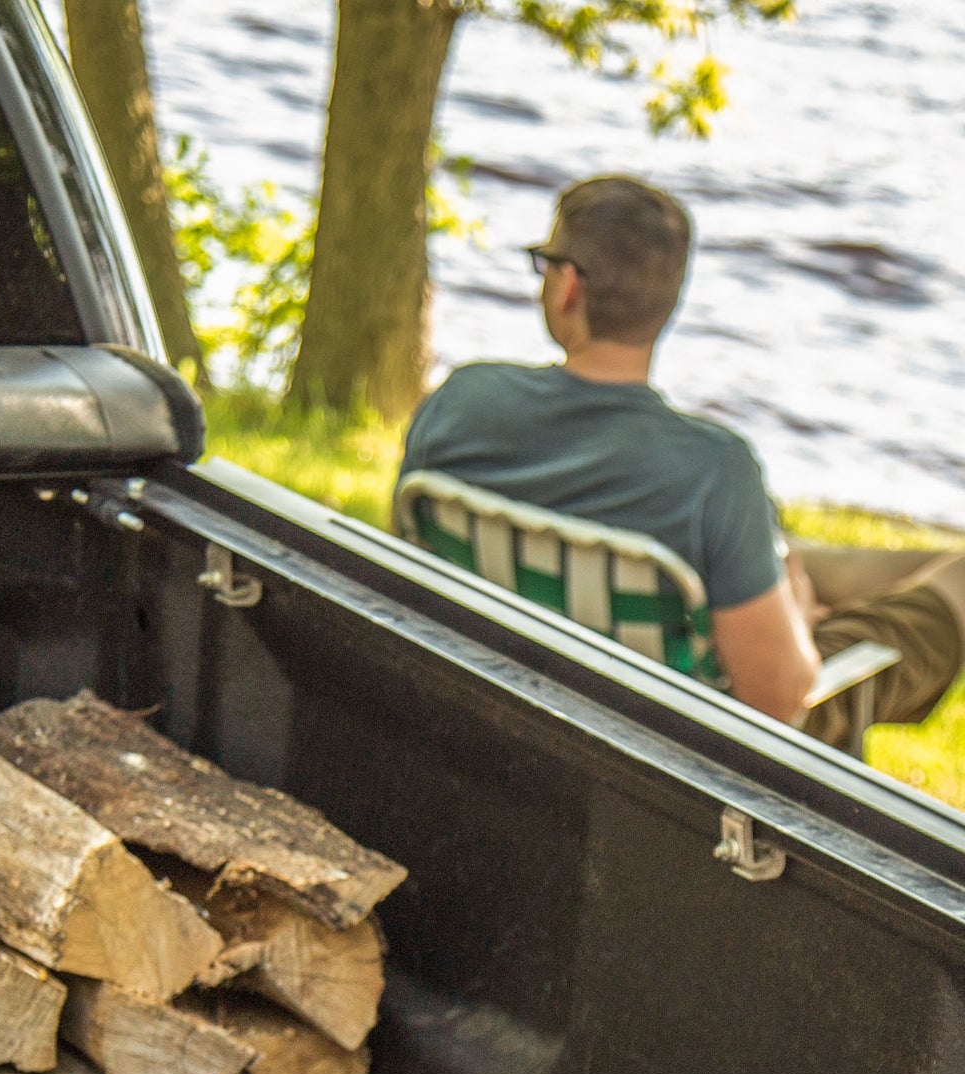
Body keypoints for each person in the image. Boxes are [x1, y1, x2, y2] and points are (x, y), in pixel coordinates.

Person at [398, 175, 965, 744]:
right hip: (686, 746)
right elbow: (779, 699)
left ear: (567, 287)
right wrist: (795, 615)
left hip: (500, 703)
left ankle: (786, 564)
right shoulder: (714, 473)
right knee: (957, 582)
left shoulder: (459, 403)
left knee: (779, 554)